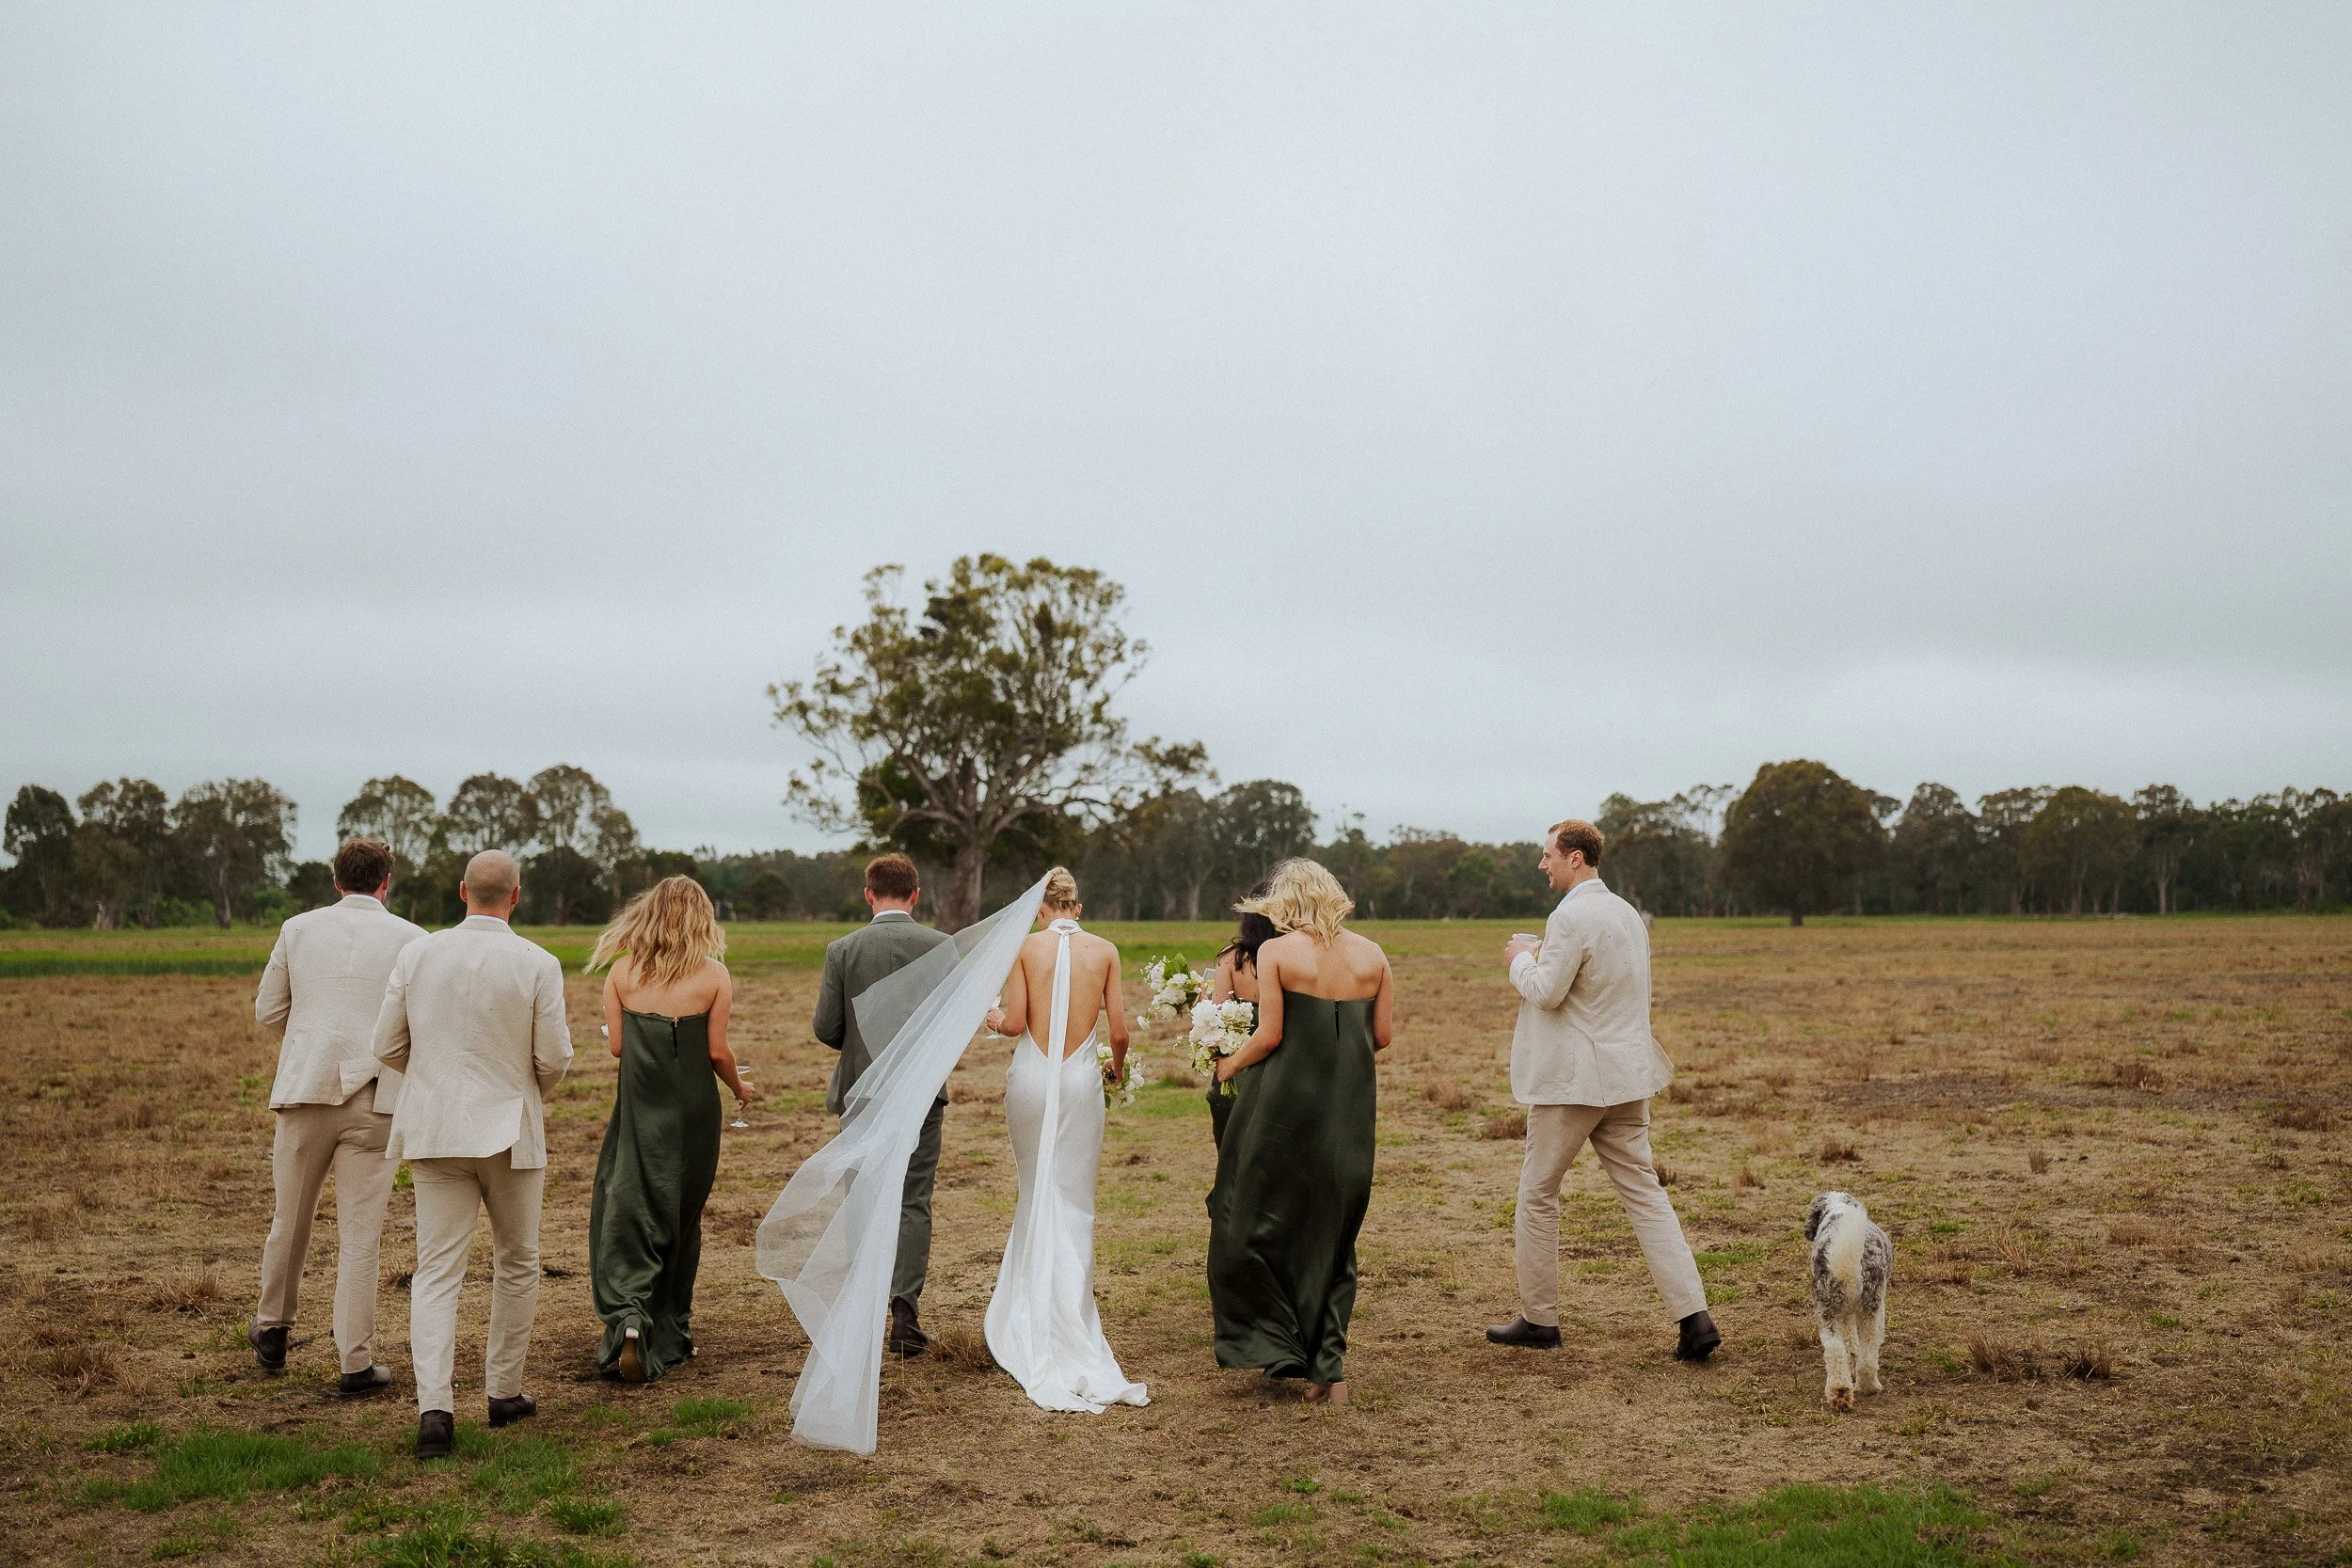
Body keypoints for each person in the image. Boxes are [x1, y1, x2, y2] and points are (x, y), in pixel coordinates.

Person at [1486, 820, 1720, 1363]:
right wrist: (1545, 950)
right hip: (1626, 1076)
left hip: (1574, 1083)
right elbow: (1597, 978)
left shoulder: (1568, 914)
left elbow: (1546, 993)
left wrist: (1519, 957)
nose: (1542, 865)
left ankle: (1539, 1320)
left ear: (1574, 859)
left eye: (1547, 856)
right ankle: (1695, 1317)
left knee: (1538, 1193)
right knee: (1645, 1193)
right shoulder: (1627, 915)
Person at [372, 849, 573, 1460]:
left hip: (435, 1129)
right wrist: (525, 1087)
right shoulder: (539, 962)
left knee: (437, 1271)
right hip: (512, 1128)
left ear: (463, 891)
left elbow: (385, 1042)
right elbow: (555, 1058)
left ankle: (435, 1408)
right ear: (517, 896)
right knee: (518, 1260)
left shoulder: (417, 953)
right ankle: (503, 1391)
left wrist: (433, 1080)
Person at [1208, 858, 1392, 1405]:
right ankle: (1326, 1370)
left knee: (1247, 1221)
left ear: (1286, 903)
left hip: (1283, 1109)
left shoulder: (1275, 952)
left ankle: (1277, 1344)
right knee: (1334, 1234)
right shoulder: (1374, 956)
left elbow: (1269, 1035)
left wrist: (1227, 1065)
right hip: (1350, 1110)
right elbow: (1382, 1036)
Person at [248, 837, 424, 1395]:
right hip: (374, 1099)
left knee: (289, 1218)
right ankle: (355, 1361)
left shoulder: (298, 929)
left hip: (305, 1091)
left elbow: (268, 1009)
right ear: (386, 882)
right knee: (360, 1236)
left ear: (335, 880)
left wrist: (310, 1041)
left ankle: (273, 1327)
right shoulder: (413, 940)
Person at [979, 868, 1150, 1414]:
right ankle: (1071, 1317)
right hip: (1080, 1080)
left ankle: (1030, 1312)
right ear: (1078, 905)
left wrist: (987, 1015)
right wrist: (1115, 1070)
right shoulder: (1105, 950)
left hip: (1031, 1079)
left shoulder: (1027, 948)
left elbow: (1013, 1025)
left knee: (1035, 1190)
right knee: (1076, 1201)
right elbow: (1119, 1032)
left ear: (1040, 909)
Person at [583, 876, 755, 1384]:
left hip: (641, 1108)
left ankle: (630, 1316)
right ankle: (671, 1331)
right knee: (681, 1213)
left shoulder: (621, 972)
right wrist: (740, 1088)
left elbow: (617, 1048)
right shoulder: (715, 977)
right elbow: (718, 1051)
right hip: (696, 1111)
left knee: (630, 1204)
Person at [812, 852, 953, 1354]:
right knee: (913, 1200)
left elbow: (826, 1027)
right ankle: (905, 1313)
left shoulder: (842, 950)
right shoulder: (941, 947)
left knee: (863, 1198)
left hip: (863, 1091)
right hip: (920, 1096)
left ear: (869, 894)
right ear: (915, 894)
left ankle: (863, 1307)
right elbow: (951, 1027)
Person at [1201, 882, 1277, 1148]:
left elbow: (1217, 1015)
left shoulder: (1231, 960)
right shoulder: (1292, 959)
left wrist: (1202, 1001)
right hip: (1278, 1065)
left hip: (1237, 1063)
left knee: (1233, 1149)